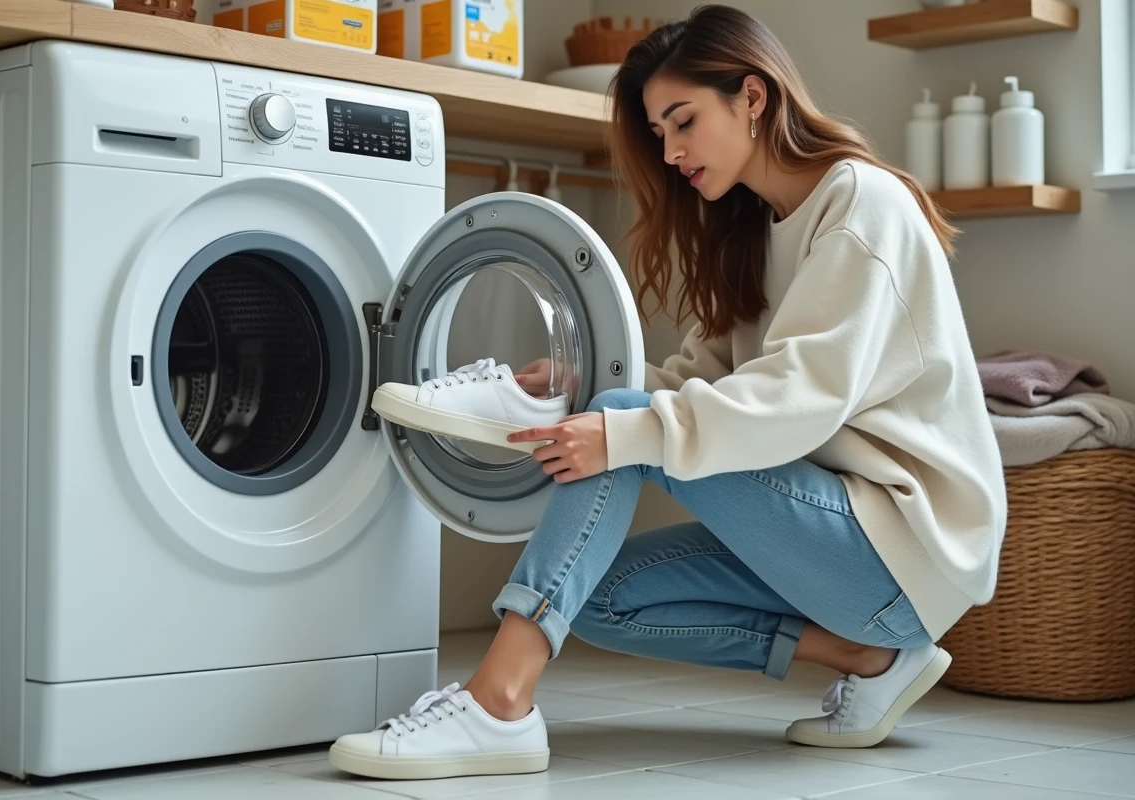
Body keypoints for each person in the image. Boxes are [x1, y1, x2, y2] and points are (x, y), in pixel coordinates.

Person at [328, 3, 1007, 781]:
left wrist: (620, 428)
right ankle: (866, 654)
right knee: (605, 596)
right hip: (844, 552)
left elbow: (799, 398)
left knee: (624, 423)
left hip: (905, 549)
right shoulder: (758, 226)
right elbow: (694, 385)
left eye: (683, 121)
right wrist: (579, 386)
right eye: (659, 134)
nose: (672, 150)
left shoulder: (861, 205)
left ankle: (499, 703)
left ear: (753, 97)